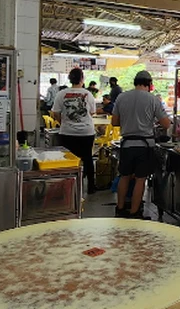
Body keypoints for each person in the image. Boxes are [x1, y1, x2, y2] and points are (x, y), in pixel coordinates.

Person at [111, 70, 171, 219]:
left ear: (135, 82)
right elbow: (166, 124)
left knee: (124, 176)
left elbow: (114, 122)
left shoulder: (121, 97)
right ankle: (134, 212)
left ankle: (120, 209)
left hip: (126, 145)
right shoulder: (153, 99)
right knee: (140, 179)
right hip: (144, 146)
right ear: (149, 84)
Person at [52, 68, 97, 193]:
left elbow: (55, 113)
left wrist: (64, 123)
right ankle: (91, 187)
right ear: (82, 79)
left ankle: (67, 186)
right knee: (88, 158)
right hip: (86, 132)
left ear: (70, 79)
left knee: (67, 159)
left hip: (67, 132)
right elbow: (92, 112)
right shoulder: (88, 94)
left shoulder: (61, 94)